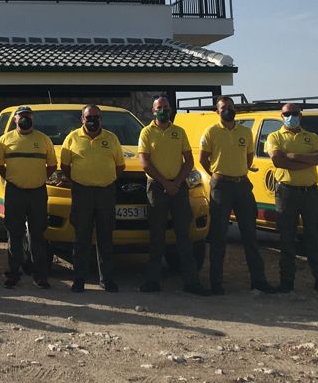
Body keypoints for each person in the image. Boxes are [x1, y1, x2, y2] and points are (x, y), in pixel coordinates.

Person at [199, 96, 276, 295]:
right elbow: (203, 158)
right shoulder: (211, 132)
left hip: (242, 185)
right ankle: (216, 283)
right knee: (219, 236)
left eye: (231, 107)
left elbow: (249, 157)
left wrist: (240, 171)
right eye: (224, 107)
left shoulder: (245, 131)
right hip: (221, 186)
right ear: (217, 111)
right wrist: (216, 175)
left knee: (250, 235)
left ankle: (259, 281)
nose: (228, 110)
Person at [138, 96, 209, 295]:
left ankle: (192, 282)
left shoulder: (179, 132)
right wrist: (165, 183)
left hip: (179, 189)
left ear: (171, 109)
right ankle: (152, 281)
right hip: (157, 188)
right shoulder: (146, 132)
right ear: (153, 111)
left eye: (166, 107)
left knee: (184, 237)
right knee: (157, 236)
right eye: (159, 107)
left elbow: (189, 160)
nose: (163, 110)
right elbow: (145, 162)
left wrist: (176, 183)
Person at [265, 102, 318, 296]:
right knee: (287, 238)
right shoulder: (274, 136)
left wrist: (293, 156)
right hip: (286, 192)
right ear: (281, 115)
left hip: (310, 193)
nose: (291, 116)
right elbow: (278, 160)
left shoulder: (311, 137)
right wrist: (305, 159)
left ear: (300, 115)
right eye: (287, 113)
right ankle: (286, 282)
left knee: (314, 237)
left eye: (295, 113)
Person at [60, 105, 125, 293]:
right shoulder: (72, 138)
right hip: (82, 194)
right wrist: (81, 179)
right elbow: (65, 166)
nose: (93, 120)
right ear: (82, 119)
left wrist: (105, 179)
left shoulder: (111, 138)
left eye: (96, 117)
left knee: (105, 237)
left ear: (101, 119)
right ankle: (79, 279)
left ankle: (107, 279)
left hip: (105, 193)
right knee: (81, 238)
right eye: (89, 117)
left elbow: (119, 166)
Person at [0, 106, 56, 289]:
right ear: (15, 119)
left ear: (33, 118)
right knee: (14, 233)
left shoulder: (44, 139)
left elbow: (51, 165)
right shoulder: (5, 140)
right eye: (21, 116)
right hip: (15, 192)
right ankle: (13, 274)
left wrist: (39, 178)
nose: (25, 119)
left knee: (38, 234)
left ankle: (40, 275)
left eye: (28, 116)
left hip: (38, 192)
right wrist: (14, 178)